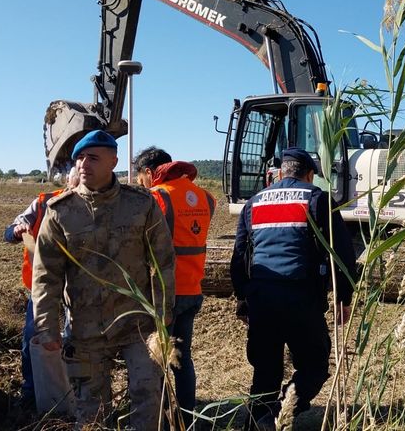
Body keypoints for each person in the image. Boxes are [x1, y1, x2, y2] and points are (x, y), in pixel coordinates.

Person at [31, 130, 175, 431]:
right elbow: (46, 276)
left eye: (93, 157)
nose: (84, 163)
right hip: (85, 330)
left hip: (137, 326)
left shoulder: (140, 205)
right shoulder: (60, 213)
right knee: (91, 412)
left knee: (149, 396)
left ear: (114, 161)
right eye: (79, 157)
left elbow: (162, 263)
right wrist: (46, 327)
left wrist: (162, 318)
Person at [230, 147, 357, 429]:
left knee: (265, 372)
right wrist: (343, 297)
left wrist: (243, 299)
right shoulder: (316, 199)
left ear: (280, 172)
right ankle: (277, 414)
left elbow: (240, 255)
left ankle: (256, 423)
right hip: (301, 299)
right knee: (314, 366)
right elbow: (342, 253)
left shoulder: (254, 203)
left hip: (262, 299)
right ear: (309, 174)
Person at [134, 146, 216, 419]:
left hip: (163, 294)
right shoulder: (205, 197)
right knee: (183, 359)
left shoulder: (158, 197)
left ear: (149, 173)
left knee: (156, 361)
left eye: (140, 179)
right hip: (192, 288)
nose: (140, 185)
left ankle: (158, 419)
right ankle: (186, 417)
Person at [3, 167, 78, 409]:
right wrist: (17, 231)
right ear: (68, 180)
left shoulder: (96, 207)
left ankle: (73, 391)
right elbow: (11, 231)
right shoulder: (44, 202)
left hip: (78, 292)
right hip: (41, 289)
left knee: (73, 340)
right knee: (33, 340)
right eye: (74, 181)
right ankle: (31, 390)